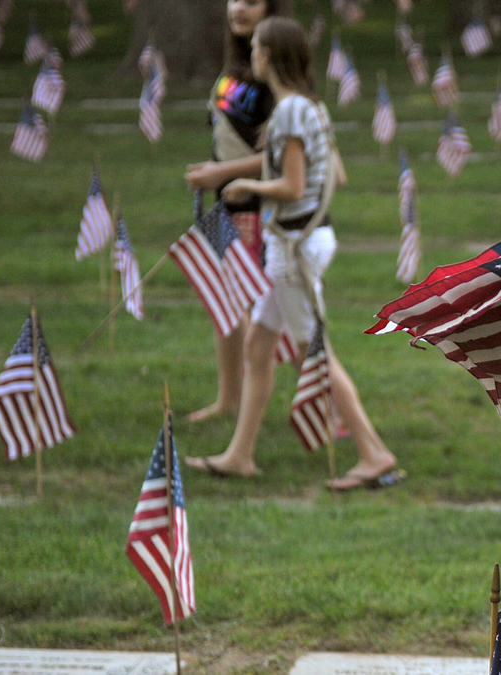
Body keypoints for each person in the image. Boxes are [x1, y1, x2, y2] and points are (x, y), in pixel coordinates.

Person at [186, 17, 400, 492]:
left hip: (294, 246)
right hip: (304, 239)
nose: (253, 55)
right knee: (258, 347)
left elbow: (293, 185)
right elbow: (334, 178)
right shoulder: (310, 108)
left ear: (270, 55)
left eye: (259, 49)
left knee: (315, 354)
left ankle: (373, 453)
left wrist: (240, 182)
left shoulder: (287, 113)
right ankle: (240, 455)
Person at [183, 0, 284, 423]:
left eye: (252, 1)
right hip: (224, 203)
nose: (239, 7)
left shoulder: (276, 72)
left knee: (260, 311)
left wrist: (221, 172)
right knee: (223, 303)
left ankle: (325, 404)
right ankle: (228, 399)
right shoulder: (235, 67)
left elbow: (283, 156)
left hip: (258, 207)